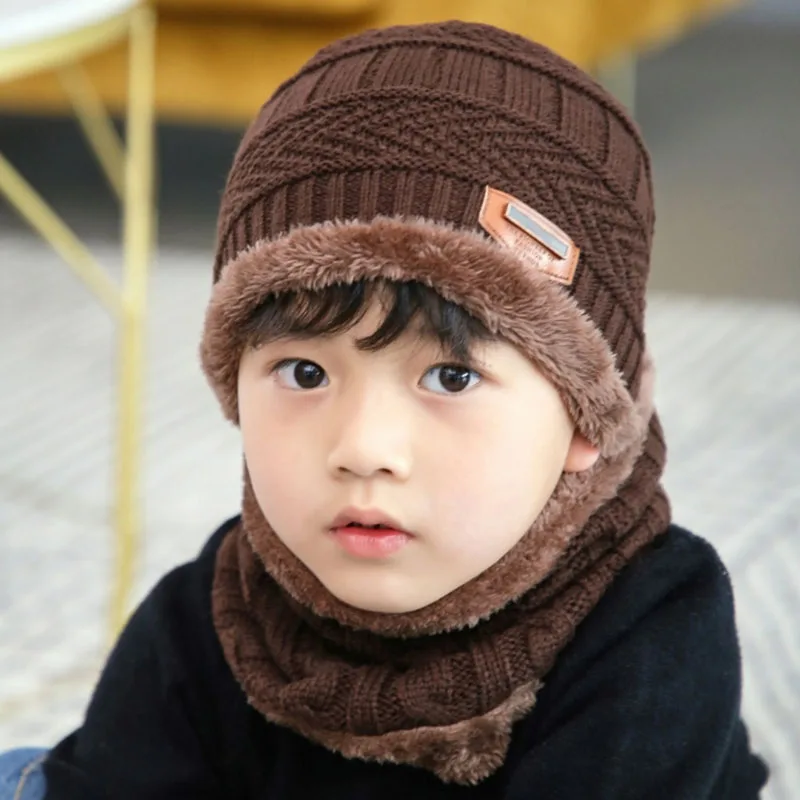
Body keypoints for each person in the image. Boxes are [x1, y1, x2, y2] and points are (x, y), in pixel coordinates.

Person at [1, 20, 768, 800]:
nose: (364, 449)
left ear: (585, 415)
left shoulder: (651, 632)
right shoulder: (216, 614)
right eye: (304, 373)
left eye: (451, 378)